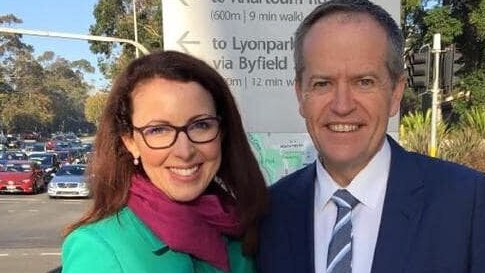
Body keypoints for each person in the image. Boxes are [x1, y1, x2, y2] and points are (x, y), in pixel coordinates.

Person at [258, 1, 485, 273]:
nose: (342, 106)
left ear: (396, 93)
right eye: (322, 84)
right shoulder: (268, 213)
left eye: (364, 82)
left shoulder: (468, 203)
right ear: (300, 95)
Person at [61, 50, 268, 273]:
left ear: (222, 131)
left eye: (201, 125)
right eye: (158, 130)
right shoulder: (99, 248)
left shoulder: (243, 228)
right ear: (130, 141)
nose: (184, 151)